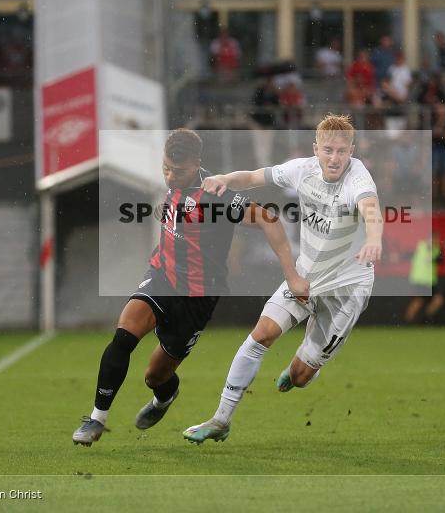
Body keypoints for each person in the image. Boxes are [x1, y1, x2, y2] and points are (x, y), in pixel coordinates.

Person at [71, 129, 309, 446]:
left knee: (155, 376)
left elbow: (269, 219)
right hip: (162, 277)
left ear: (197, 163)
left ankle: (165, 396)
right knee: (123, 337)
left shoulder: (218, 195)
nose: (170, 176)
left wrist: (291, 275)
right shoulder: (173, 183)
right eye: (166, 168)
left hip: (197, 297)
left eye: (178, 171)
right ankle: (96, 419)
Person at [182, 114, 383, 444]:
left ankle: (300, 367)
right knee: (260, 335)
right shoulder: (302, 169)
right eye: (328, 150)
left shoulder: (358, 179)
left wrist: (374, 239)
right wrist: (224, 178)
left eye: (341, 152)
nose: (334, 158)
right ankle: (221, 419)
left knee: (301, 377)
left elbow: (371, 209)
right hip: (305, 275)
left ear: (352, 151)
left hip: (346, 288)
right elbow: (253, 177)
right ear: (316, 149)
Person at [404, 232, 445, 323]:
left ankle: (426, 320)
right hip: (420, 279)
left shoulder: (436, 249)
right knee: (418, 301)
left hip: (431, 281)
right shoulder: (421, 246)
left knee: (438, 300)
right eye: (433, 239)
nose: (435, 241)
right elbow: (408, 254)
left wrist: (435, 259)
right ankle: (407, 322)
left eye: (436, 239)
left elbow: (441, 260)